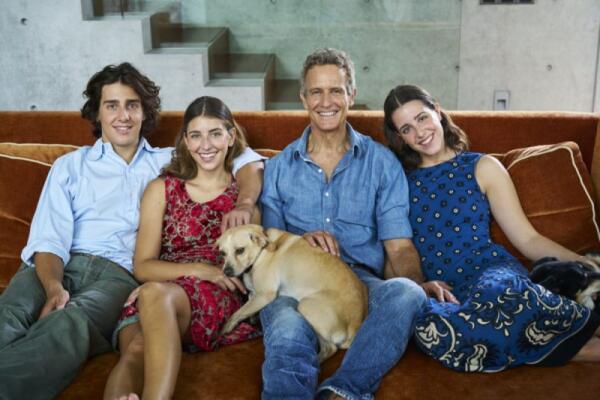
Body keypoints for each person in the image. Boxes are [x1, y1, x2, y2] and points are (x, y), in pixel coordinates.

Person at [0, 63, 264, 400]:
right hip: (56, 265)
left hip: (117, 276)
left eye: (132, 105)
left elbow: (242, 156)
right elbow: (49, 238)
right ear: (97, 113)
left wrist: (245, 201)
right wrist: (53, 287)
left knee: (68, 322)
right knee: (9, 314)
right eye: (112, 105)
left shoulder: (169, 163)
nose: (123, 116)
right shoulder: (70, 166)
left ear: (144, 112)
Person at [383, 84, 600, 372]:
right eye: (407, 129)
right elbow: (394, 252)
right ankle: (580, 346)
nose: (419, 132)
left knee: (502, 295)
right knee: (431, 329)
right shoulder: (397, 181)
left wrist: (584, 263)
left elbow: (528, 238)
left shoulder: (483, 166)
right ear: (400, 137)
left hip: (489, 272)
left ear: (437, 110)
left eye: (422, 117)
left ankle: (576, 339)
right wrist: (416, 286)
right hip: (441, 290)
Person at [260, 48, 426, 400]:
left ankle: (343, 391)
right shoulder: (277, 168)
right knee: (287, 329)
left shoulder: (382, 163)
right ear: (303, 98)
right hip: (296, 284)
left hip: (360, 283)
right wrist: (300, 241)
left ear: (351, 94)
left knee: (408, 293)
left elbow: (399, 246)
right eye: (316, 92)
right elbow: (269, 251)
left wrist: (419, 288)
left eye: (336, 90)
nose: (326, 102)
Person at [103, 96, 261, 400]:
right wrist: (198, 270)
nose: (206, 145)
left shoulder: (242, 199)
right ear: (186, 142)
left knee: (154, 295)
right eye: (196, 135)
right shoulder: (161, 188)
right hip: (161, 288)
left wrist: (205, 275)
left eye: (215, 133)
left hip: (214, 294)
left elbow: (250, 267)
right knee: (136, 347)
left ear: (231, 137)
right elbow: (143, 266)